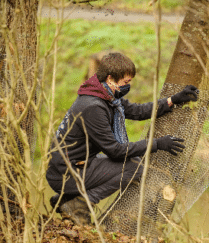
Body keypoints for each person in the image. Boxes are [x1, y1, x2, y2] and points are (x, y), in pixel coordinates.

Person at [46, 52, 198, 225]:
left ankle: (65, 198)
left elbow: (138, 111)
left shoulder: (106, 98)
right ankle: (79, 204)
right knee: (133, 167)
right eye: (126, 82)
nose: (128, 86)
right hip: (66, 174)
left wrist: (173, 100)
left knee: (128, 161)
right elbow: (115, 151)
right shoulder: (93, 107)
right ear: (110, 79)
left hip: (72, 167)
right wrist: (157, 143)